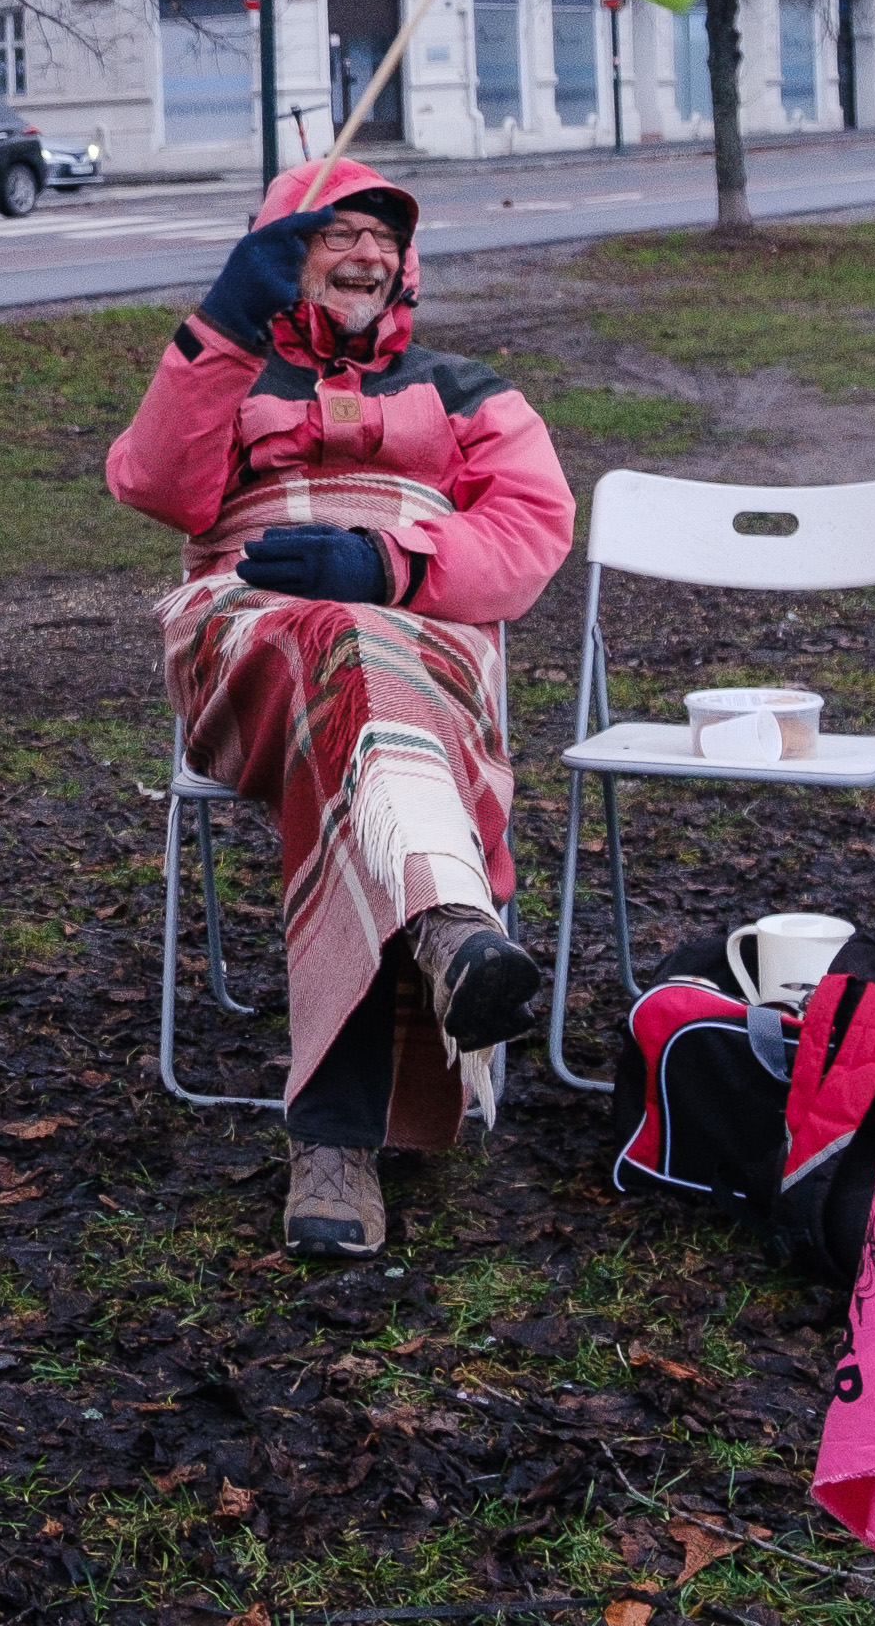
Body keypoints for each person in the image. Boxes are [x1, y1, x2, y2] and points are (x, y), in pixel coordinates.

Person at [104, 155, 575, 1255]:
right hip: (245, 633)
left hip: (420, 636)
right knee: (336, 655)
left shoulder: (470, 389)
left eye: (383, 237)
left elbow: (528, 538)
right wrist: (225, 321)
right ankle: (449, 922)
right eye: (334, 232)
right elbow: (153, 484)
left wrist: (383, 566)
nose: (366, 252)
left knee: (358, 676)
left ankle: (334, 1138)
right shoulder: (230, 373)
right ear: (285, 252)